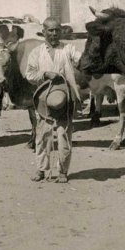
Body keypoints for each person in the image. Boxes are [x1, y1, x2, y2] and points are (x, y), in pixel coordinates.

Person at [25, 17, 83, 183]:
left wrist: (83, 63)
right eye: (50, 30)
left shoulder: (68, 49)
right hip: (43, 100)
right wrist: (44, 75)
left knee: (64, 136)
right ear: (43, 32)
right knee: (42, 136)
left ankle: (63, 171)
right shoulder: (36, 53)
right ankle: (41, 169)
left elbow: (81, 61)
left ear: (61, 31)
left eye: (57, 30)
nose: (54, 33)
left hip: (64, 100)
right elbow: (29, 75)